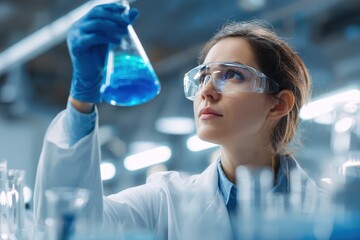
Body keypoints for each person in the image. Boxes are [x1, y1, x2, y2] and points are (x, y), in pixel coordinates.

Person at [34, 3, 320, 239]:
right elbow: (72, 227)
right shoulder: (164, 200)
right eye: (203, 77)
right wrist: (81, 99)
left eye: (231, 75)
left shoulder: (326, 210)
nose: (206, 91)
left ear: (278, 104)